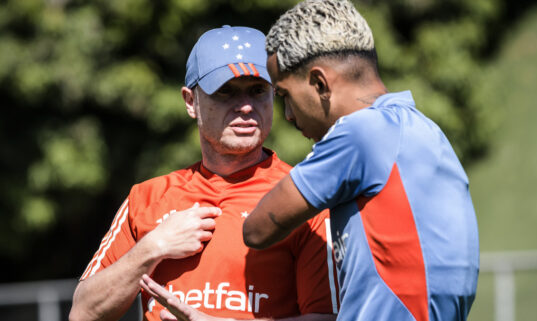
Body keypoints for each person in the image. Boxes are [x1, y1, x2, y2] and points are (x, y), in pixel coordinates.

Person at [69, 25, 338, 321]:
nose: (246, 106)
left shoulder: (306, 198)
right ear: (190, 102)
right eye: (226, 92)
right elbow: (82, 313)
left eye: (258, 90)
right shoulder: (145, 198)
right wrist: (152, 248)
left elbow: (328, 317)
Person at [242, 1, 480, 320]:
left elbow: (257, 230)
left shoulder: (359, 133)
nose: (287, 114)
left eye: (285, 95)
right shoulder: (425, 129)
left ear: (319, 83)